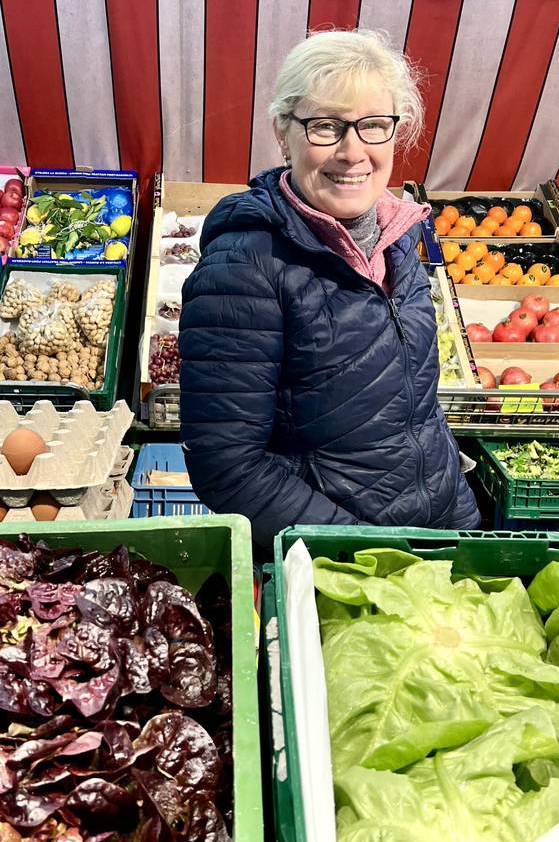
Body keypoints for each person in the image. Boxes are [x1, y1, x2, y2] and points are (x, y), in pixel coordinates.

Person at [179, 29, 479, 548]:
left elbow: (418, 411)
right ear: (282, 131)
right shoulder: (244, 269)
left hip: (439, 530)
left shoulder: (398, 237)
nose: (352, 151)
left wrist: (462, 516)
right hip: (342, 564)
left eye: (374, 126)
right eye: (325, 126)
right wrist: (366, 554)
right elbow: (228, 466)